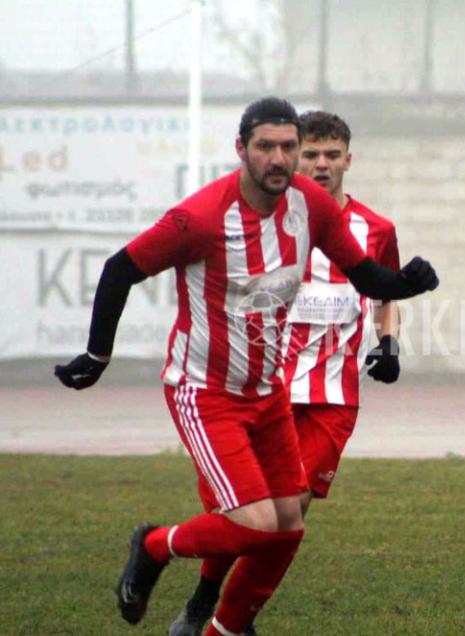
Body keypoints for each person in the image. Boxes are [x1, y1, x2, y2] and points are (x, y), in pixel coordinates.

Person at [53, 97, 438, 636]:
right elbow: (120, 270)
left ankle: (222, 630)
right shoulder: (201, 217)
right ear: (241, 149)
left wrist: (406, 285)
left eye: (288, 147)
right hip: (205, 391)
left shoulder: (312, 206)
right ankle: (154, 546)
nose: (279, 158)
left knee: (288, 527)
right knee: (255, 524)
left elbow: (367, 277)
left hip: (269, 390)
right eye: (266, 146)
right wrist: (97, 356)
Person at [169, 111, 404, 636]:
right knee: (246, 513)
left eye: (332, 155)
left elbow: (386, 292)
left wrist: (388, 344)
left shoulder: (376, 229)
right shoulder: (263, 225)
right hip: (263, 389)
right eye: (312, 154)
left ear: (348, 160)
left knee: (290, 509)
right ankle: (205, 599)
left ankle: (230, 621)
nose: (321, 165)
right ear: (296, 157)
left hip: (332, 395)